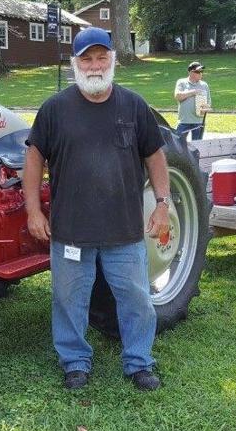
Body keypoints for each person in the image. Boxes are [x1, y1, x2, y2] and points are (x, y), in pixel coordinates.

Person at [23, 27, 171, 392]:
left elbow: (155, 155)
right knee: (68, 300)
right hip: (71, 231)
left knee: (137, 298)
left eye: (101, 57)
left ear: (112, 60)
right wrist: (33, 211)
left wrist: (163, 204)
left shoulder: (134, 106)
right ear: (75, 64)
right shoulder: (55, 109)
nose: (94, 66)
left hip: (124, 232)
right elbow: (33, 156)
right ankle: (75, 362)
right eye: (86, 59)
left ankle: (139, 362)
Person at [174, 61, 212, 140]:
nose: (201, 73)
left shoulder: (204, 85)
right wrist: (193, 92)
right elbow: (178, 96)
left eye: (201, 72)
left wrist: (205, 109)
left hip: (198, 121)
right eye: (198, 72)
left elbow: (208, 102)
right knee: (177, 143)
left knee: (197, 146)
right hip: (184, 121)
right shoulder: (182, 82)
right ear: (190, 72)